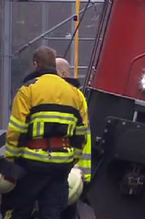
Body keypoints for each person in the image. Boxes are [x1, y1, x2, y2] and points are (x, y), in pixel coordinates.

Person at [1, 47, 89, 219]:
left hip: (32, 164)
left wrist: (11, 162)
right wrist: (72, 159)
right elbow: (81, 133)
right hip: (61, 165)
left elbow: (16, 131)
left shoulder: (28, 90)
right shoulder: (75, 94)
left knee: (20, 210)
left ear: (36, 65)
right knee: (52, 212)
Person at [56, 58, 92, 219]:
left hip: (70, 168)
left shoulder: (67, 94)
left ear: (63, 73)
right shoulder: (77, 95)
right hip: (76, 170)